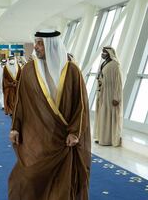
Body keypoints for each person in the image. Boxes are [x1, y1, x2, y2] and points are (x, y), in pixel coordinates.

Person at [8, 30, 91, 200]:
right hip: (36, 137)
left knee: (62, 183)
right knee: (26, 178)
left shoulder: (72, 71)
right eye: (36, 43)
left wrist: (75, 132)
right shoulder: (28, 70)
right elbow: (20, 102)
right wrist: (15, 127)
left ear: (51, 44)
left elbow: (80, 105)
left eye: (40, 43)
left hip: (63, 139)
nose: (36, 47)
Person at [94, 46, 123, 147]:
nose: (103, 54)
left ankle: (108, 140)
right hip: (102, 93)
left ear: (110, 53)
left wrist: (116, 97)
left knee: (109, 116)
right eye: (102, 52)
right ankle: (102, 138)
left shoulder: (115, 65)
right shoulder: (104, 63)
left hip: (110, 94)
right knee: (102, 115)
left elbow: (118, 82)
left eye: (105, 52)